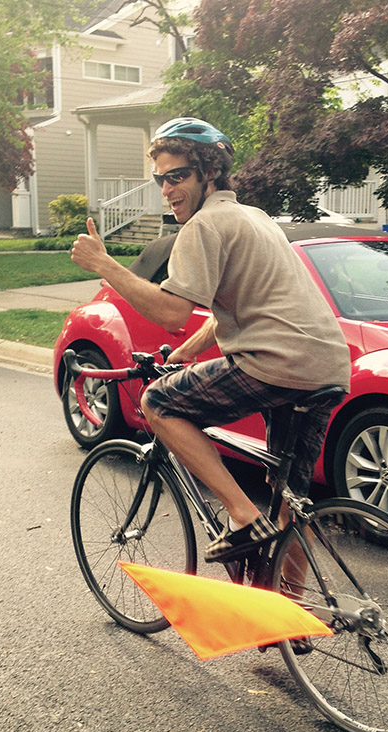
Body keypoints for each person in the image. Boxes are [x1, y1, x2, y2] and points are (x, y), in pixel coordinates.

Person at [70, 117, 350, 562]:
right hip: (327, 366)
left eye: (178, 176)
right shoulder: (254, 218)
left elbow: (170, 311)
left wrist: (105, 264)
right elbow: (241, 307)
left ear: (210, 172)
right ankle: (295, 621)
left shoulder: (203, 226)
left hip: (275, 363)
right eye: (161, 179)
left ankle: (240, 514)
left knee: (158, 404)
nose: (167, 189)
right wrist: (185, 353)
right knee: (290, 504)